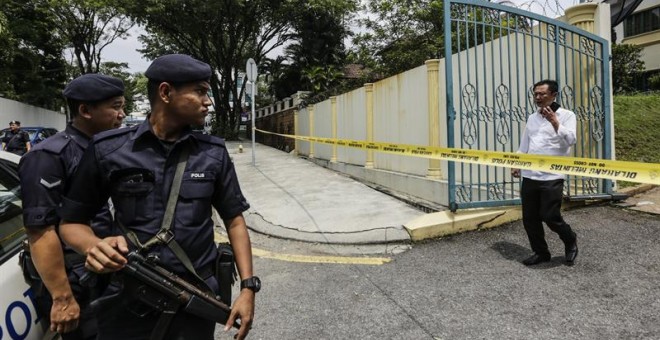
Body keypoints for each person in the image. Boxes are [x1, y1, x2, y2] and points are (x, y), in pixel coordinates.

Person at [58, 54, 258, 340]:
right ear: (165, 92)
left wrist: (248, 288)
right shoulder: (108, 150)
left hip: (193, 297)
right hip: (127, 298)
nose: (208, 101)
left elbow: (235, 221)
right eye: (200, 91)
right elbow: (71, 223)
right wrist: (94, 246)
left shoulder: (213, 153)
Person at [19, 73, 126, 339]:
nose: (122, 114)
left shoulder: (102, 150)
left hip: (101, 269)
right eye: (115, 107)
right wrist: (62, 297)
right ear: (85, 110)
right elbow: (40, 231)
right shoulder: (48, 156)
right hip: (75, 278)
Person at [512, 79, 579, 266]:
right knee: (530, 218)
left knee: (550, 216)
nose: (538, 97)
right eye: (535, 94)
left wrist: (555, 122)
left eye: (542, 94)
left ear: (554, 95)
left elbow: (571, 140)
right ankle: (541, 252)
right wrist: (517, 162)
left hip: (552, 175)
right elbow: (524, 145)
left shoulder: (567, 115)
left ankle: (570, 239)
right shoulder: (532, 118)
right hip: (530, 175)